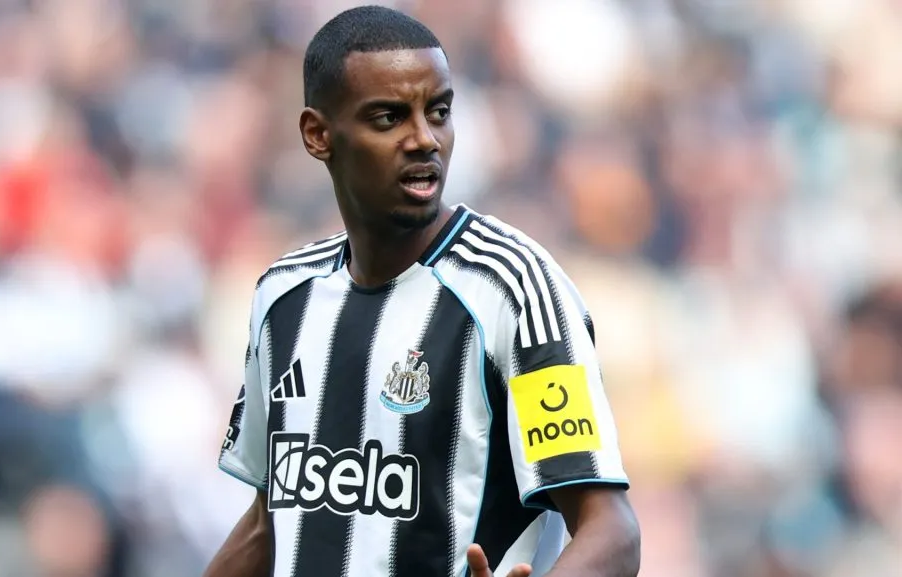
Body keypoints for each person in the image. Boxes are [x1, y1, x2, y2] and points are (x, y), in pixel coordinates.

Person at [205, 6, 640, 577]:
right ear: (318, 134)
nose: (424, 139)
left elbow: (611, 529)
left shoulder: (515, 288)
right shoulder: (284, 297)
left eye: (438, 112)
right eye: (389, 118)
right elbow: (273, 518)